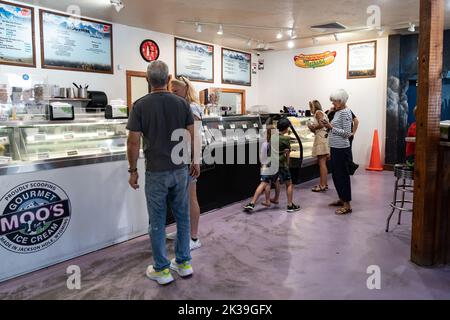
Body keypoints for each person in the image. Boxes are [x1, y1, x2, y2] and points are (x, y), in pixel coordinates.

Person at [127, 61, 200, 285]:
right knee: (182, 216)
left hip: (156, 171)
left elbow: (133, 141)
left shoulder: (139, 105)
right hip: (180, 170)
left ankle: (161, 269)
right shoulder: (181, 103)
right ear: (168, 79)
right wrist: (195, 159)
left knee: (157, 220)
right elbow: (193, 134)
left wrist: (132, 170)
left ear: (148, 80)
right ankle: (184, 263)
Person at [168, 76, 203, 251]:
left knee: (191, 197)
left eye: (175, 91)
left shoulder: (192, 107)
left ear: (185, 89)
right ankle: (183, 231)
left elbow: (195, 135)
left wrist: (194, 160)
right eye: (170, 91)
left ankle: (194, 237)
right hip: (178, 157)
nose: (172, 94)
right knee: (179, 198)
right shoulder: (179, 106)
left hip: (189, 157)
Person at [321, 89, 353, 215]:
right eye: (332, 101)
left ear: (342, 101)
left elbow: (347, 133)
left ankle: (347, 205)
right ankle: (341, 199)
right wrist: (328, 125)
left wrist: (331, 127)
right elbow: (335, 130)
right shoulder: (338, 112)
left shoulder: (346, 113)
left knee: (342, 177)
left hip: (342, 149)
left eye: (335, 101)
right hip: (335, 148)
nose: (333, 103)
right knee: (336, 176)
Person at [243, 123, 281, 212]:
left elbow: (262, 157)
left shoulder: (265, 144)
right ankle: (275, 198)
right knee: (276, 181)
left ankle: (252, 203)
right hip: (275, 166)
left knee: (264, 183)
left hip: (266, 166)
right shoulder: (277, 143)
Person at [326, 104, 359, 174]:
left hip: (344, 136)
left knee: (346, 153)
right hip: (339, 136)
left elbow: (356, 121)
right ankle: (350, 168)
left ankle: (350, 168)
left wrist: (353, 133)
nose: (334, 104)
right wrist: (330, 111)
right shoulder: (333, 112)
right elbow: (324, 118)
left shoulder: (345, 112)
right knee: (348, 153)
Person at [307, 100, 330, 192]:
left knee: (321, 163)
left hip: (320, 138)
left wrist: (312, 127)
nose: (310, 109)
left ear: (314, 106)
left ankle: (322, 185)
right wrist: (313, 129)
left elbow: (321, 124)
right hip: (323, 137)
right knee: (323, 163)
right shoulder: (323, 113)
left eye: (310, 107)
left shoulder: (318, 113)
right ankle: (324, 183)